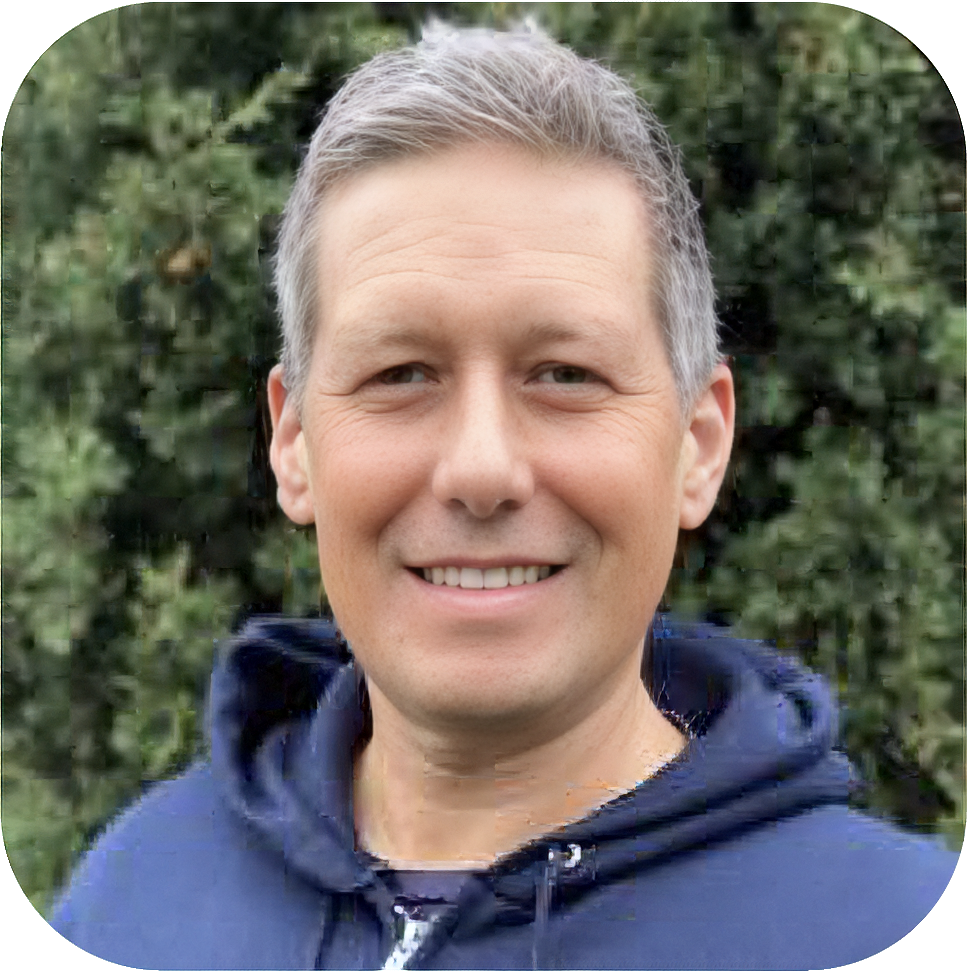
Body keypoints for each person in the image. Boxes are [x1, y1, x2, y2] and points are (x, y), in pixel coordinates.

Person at [49, 20, 957, 971]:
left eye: (563, 373)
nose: (481, 470)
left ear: (698, 443)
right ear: (294, 440)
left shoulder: (897, 934)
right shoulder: (131, 893)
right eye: (401, 373)